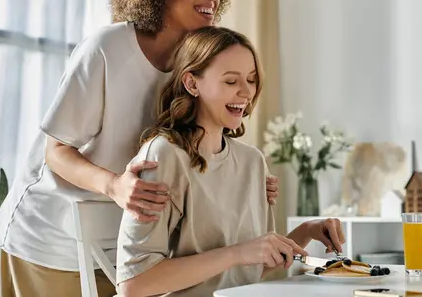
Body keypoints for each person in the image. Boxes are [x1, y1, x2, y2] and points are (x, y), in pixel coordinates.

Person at [0, 0, 278, 297]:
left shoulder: (192, 65)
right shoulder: (107, 49)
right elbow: (57, 152)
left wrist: (242, 181)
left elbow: (182, 152)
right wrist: (113, 185)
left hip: (125, 243)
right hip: (50, 237)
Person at [116, 27, 346, 297]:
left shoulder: (252, 161)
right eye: (230, 81)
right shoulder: (164, 155)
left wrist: (308, 230)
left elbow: (248, 269)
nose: (246, 92)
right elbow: (134, 285)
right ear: (192, 84)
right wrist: (236, 253)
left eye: (251, 80)